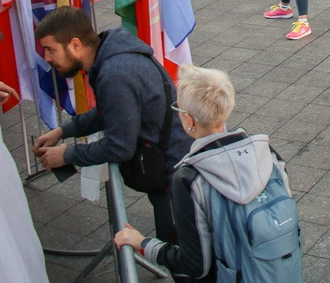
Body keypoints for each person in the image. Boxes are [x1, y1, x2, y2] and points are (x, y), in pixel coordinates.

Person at [113, 65, 298, 282]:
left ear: (189, 121)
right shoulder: (267, 153)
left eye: (178, 109)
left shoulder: (189, 179)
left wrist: (143, 244)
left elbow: (195, 265)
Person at [33, 6, 192, 243]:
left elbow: (120, 146)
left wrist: (67, 155)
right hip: (173, 166)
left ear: (75, 45)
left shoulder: (114, 73)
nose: (47, 58)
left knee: (182, 259)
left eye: (50, 50)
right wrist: (63, 131)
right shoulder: (111, 54)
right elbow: (110, 112)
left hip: (174, 176)